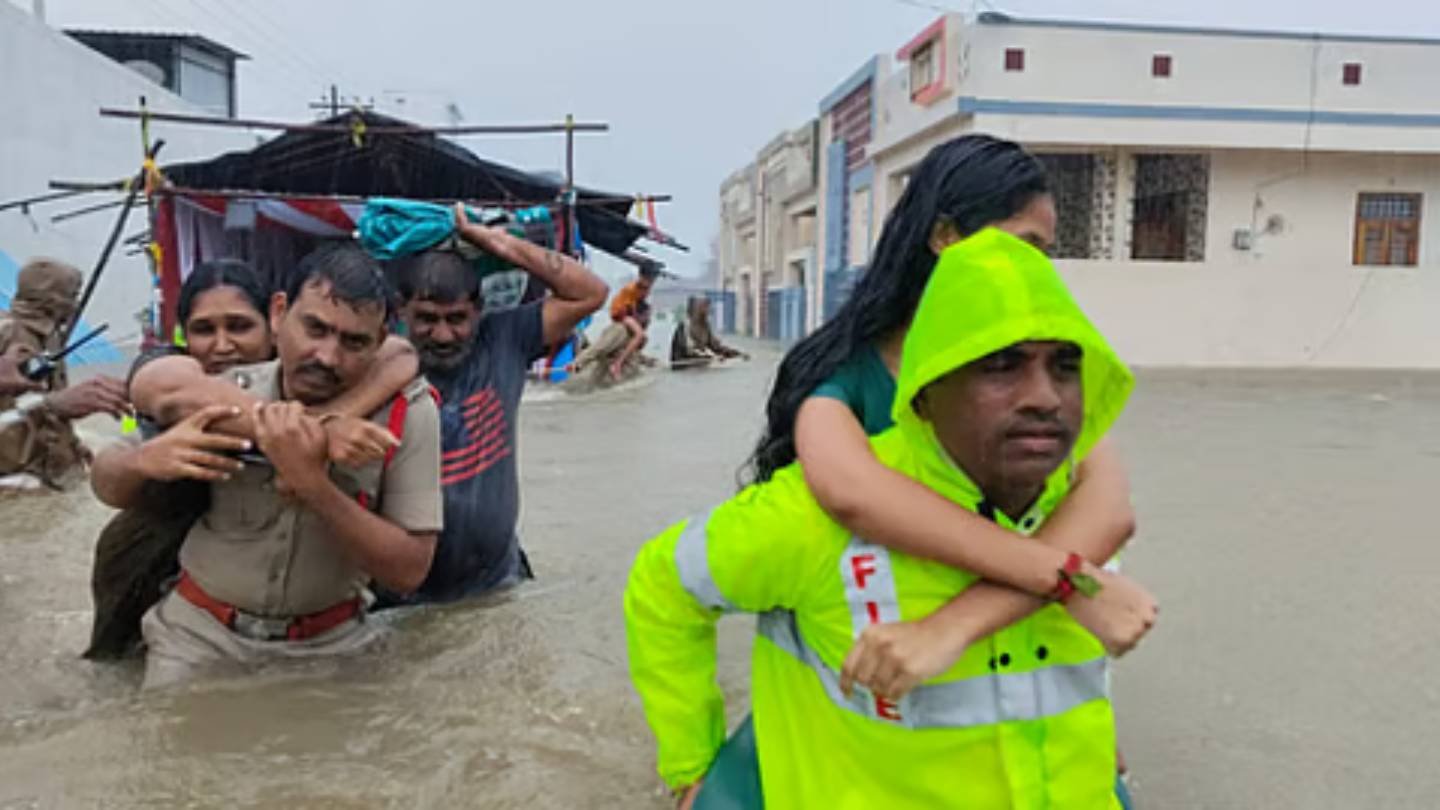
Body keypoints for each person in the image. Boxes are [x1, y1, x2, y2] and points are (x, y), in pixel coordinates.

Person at [626, 229, 1154, 808]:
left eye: (1065, 365)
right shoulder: (813, 517)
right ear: (924, 393)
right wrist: (691, 770)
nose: (1044, 397)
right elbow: (662, 587)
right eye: (1002, 365)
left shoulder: (1072, 502)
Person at [126, 243, 441, 688]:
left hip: (333, 646)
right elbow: (154, 389)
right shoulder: (229, 385)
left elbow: (409, 570)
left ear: (380, 342)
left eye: (354, 342)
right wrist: (322, 431)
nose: (328, 356)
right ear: (278, 313)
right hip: (196, 638)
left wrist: (315, 486)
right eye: (314, 328)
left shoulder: (408, 411)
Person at [385, 204, 608, 603]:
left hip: (497, 586)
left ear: (479, 311)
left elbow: (591, 293)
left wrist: (494, 241)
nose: (443, 334)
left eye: (457, 318)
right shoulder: (379, 360)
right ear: (401, 311)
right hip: (401, 600)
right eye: (426, 318)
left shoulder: (504, 339)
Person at [0, 258, 128, 487]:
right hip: (15, 478)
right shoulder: (7, 334)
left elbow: (51, 402)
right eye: (72, 295)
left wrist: (71, 444)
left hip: (49, 471)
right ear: (53, 299)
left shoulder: (51, 337)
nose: (76, 304)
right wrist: (50, 404)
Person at [574, 264, 658, 382]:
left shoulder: (646, 292)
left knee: (641, 338)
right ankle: (614, 365)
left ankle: (618, 363)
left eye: (652, 279)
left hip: (632, 320)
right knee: (636, 336)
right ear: (642, 276)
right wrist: (633, 317)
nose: (650, 282)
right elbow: (625, 309)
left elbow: (643, 313)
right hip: (622, 315)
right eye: (649, 278)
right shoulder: (631, 289)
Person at [670, 296, 745, 369]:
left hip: (700, 367)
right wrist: (712, 357)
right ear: (696, 309)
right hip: (685, 369)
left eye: (708, 307)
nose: (708, 310)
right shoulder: (684, 327)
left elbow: (716, 347)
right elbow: (689, 351)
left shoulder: (705, 326)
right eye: (705, 307)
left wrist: (738, 354)